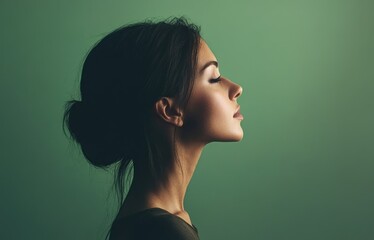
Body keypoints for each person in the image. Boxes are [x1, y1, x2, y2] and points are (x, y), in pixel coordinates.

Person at [62, 16, 244, 240]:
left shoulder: (158, 222)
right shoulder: (162, 232)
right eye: (214, 79)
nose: (236, 88)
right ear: (169, 111)